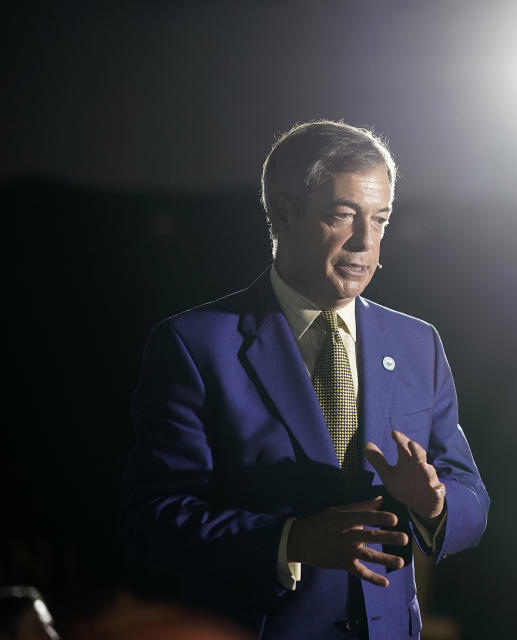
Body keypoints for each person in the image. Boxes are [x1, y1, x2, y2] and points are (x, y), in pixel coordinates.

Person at [121, 120, 490, 639]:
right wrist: (288, 540)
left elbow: (472, 497)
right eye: (343, 215)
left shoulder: (417, 343)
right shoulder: (194, 344)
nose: (366, 241)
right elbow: (152, 521)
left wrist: (433, 504)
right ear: (282, 212)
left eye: (380, 219)